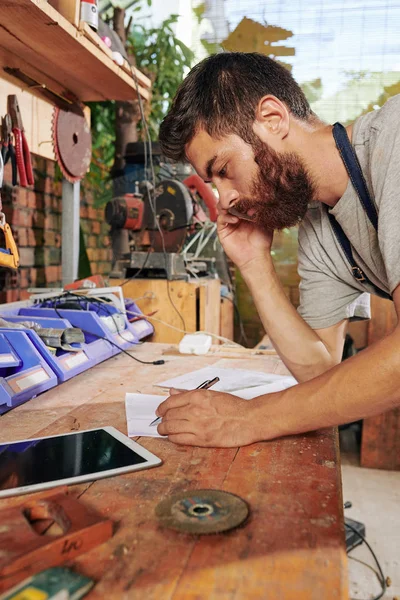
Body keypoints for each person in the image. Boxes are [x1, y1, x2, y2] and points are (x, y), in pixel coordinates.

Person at [155, 51, 400, 448]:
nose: (224, 200)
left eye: (224, 171)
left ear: (272, 118)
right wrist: (255, 265)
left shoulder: (395, 140)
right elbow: (321, 379)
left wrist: (250, 417)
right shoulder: (321, 227)